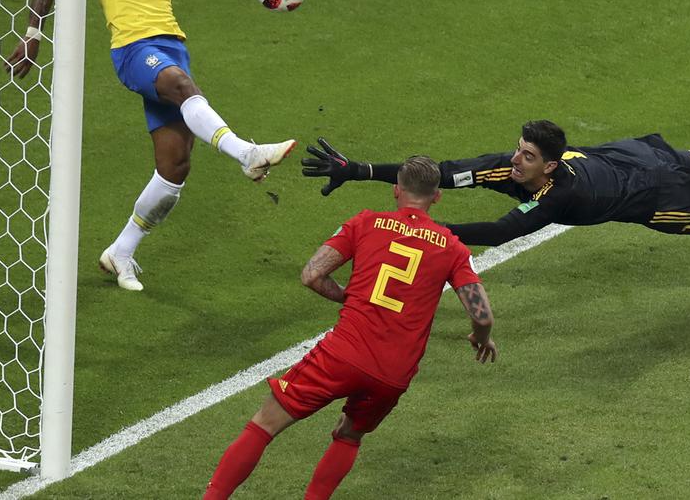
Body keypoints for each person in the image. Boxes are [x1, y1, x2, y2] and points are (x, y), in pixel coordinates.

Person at [5, 0, 296, 291]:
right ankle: (246, 153)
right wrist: (32, 33)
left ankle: (121, 251)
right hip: (135, 50)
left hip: (171, 49)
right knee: (182, 87)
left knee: (174, 166)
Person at [203, 155, 497, 499]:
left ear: (396, 190)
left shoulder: (365, 223)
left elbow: (312, 275)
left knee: (265, 423)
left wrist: (351, 298)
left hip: (343, 353)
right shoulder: (453, 247)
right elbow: (482, 315)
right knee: (348, 434)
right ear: (436, 197)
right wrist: (481, 338)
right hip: (393, 373)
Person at [302, 120, 690, 255]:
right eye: (517, 152)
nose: (514, 160)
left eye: (526, 157)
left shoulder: (558, 197)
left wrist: (427, 231)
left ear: (549, 167)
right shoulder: (519, 168)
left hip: (654, 194)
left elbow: (501, 232)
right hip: (628, 159)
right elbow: (437, 173)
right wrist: (357, 170)